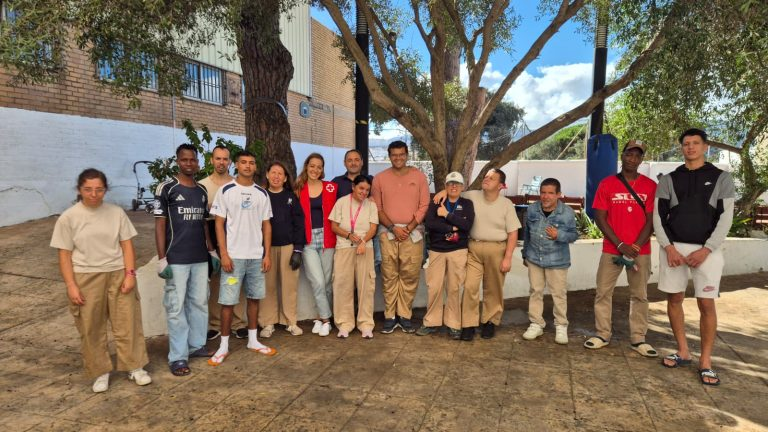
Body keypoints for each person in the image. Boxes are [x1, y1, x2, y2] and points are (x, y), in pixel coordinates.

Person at [51, 168, 151, 393]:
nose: (94, 194)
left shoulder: (116, 213)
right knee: (91, 327)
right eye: (88, 189)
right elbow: (64, 255)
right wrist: (71, 285)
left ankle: (135, 366)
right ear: (80, 190)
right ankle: (100, 371)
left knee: (128, 322)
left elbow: (127, 245)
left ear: (105, 190)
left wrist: (130, 274)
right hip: (86, 276)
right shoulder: (69, 218)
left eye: (98, 189)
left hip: (117, 273)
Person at [654, 128, 735, 386]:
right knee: (674, 299)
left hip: (707, 251)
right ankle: (683, 351)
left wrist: (707, 249)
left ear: (705, 147)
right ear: (682, 148)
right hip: (674, 249)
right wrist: (669, 248)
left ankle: (706, 362)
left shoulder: (722, 178)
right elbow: (658, 216)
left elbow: (726, 218)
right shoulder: (668, 179)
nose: (690, 148)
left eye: (695, 143)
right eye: (686, 144)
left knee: (706, 304)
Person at [583, 140, 659, 357]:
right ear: (622, 156)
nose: (632, 159)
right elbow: (600, 216)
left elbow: (651, 220)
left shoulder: (650, 186)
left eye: (637, 156)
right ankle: (602, 334)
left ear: (641, 159)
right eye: (629, 154)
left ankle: (638, 338)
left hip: (640, 251)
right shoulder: (607, 184)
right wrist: (620, 245)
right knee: (603, 292)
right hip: (612, 249)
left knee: (640, 295)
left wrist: (634, 246)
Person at [434, 168, 521, 340]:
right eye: (486, 176)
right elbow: (455, 190)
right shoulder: (472, 195)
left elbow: (513, 233)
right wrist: (444, 190)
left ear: (502, 185)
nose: (486, 179)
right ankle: (469, 324)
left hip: (497, 249)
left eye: (492, 178)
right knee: (470, 287)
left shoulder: (506, 204)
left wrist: (508, 257)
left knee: (493, 288)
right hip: (474, 248)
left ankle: (490, 321)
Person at [208, 151, 276, 366]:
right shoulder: (226, 190)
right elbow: (218, 224)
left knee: (254, 299)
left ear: (256, 167)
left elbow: (267, 225)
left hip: (256, 257)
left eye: (252, 162)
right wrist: (224, 253)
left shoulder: (262, 194)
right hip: (234, 258)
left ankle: (253, 341)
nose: (248, 166)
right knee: (228, 303)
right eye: (243, 162)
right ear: (236, 165)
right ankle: (224, 346)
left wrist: (267, 254)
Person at [154, 144, 216, 376]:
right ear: (178, 161)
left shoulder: (200, 190)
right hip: (176, 259)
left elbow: (203, 223)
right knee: (176, 307)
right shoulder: (167, 188)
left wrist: (211, 251)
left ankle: (197, 345)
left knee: (199, 302)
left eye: (193, 160)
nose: (189, 163)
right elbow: (160, 225)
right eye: (184, 160)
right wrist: (162, 258)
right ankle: (178, 357)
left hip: (199, 258)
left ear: (198, 162)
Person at [371, 141, 430, 333]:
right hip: (387, 233)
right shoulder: (379, 179)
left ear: (407, 155)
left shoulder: (419, 177)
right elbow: (377, 208)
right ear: (389, 156)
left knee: (410, 275)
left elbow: (424, 206)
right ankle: (390, 316)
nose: (398, 158)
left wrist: (409, 227)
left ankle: (405, 315)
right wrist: (392, 227)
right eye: (394, 155)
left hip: (413, 234)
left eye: (402, 154)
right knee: (389, 275)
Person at [199, 145, 248, 340]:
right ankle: (215, 324)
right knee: (217, 281)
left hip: (235, 237)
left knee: (237, 280)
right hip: (210, 237)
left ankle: (238, 323)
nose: (221, 162)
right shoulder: (202, 186)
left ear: (230, 162)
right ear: (211, 160)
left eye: (225, 159)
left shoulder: (237, 185)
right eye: (218, 158)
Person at [520, 178, 577, 344]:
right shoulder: (532, 209)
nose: (546, 196)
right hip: (534, 258)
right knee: (535, 291)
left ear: (558, 194)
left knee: (558, 294)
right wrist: (525, 254)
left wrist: (558, 235)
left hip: (557, 260)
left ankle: (561, 326)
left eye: (551, 193)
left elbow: (574, 235)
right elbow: (527, 234)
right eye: (543, 192)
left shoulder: (566, 213)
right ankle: (536, 323)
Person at [418, 172, 474, 339]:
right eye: (450, 184)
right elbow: (430, 224)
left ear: (462, 187)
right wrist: (452, 227)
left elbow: (467, 225)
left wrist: (447, 216)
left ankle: (453, 324)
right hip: (437, 250)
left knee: (454, 288)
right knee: (434, 287)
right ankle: (431, 322)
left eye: (457, 184)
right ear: (445, 186)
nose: (453, 187)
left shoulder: (467, 204)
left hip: (458, 251)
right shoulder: (436, 203)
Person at [259, 161, 306, 338]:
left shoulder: (291, 197)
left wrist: (298, 250)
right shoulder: (260, 196)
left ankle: (290, 321)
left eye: (280, 174)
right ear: (267, 174)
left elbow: (299, 224)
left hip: (288, 247)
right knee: (268, 286)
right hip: (266, 249)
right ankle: (268, 322)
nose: (276, 176)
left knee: (289, 286)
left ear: (285, 178)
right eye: (273, 172)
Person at [329, 175, 379, 338]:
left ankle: (365, 324)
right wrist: (349, 235)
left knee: (366, 286)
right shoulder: (342, 202)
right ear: (353, 187)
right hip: (344, 248)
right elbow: (334, 226)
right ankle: (345, 323)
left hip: (365, 248)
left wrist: (363, 241)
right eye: (361, 188)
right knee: (342, 285)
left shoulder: (371, 205)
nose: (364, 192)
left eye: (367, 190)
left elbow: (373, 228)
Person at [295, 153, 338, 337]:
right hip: (308, 240)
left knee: (327, 283)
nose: (315, 170)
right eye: (312, 166)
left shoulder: (330, 187)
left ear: (322, 169)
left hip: (328, 238)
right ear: (306, 166)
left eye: (319, 167)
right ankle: (327, 319)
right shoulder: (298, 188)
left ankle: (321, 318)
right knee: (318, 282)